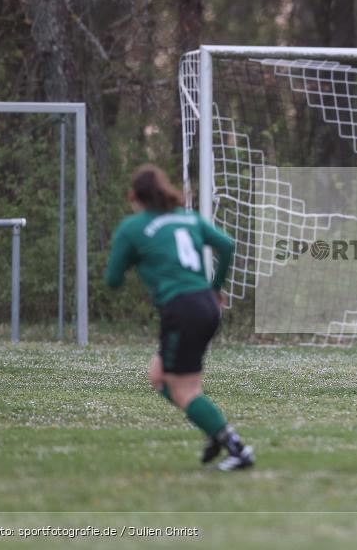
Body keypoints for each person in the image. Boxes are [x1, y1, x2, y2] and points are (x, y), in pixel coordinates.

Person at [105, 164, 255, 470]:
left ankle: (236, 448)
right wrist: (215, 288)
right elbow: (227, 245)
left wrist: (134, 259)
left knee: (184, 389)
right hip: (206, 305)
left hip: (182, 308)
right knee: (159, 375)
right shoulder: (188, 218)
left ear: (134, 196)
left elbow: (113, 280)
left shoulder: (132, 228)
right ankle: (214, 431)